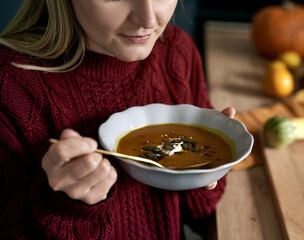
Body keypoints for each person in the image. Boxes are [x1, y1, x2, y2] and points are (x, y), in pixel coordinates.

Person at [0, 0, 235, 239]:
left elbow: (200, 211)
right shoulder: (9, 89)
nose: (148, 21)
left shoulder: (175, 50)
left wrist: (204, 171)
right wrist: (67, 209)